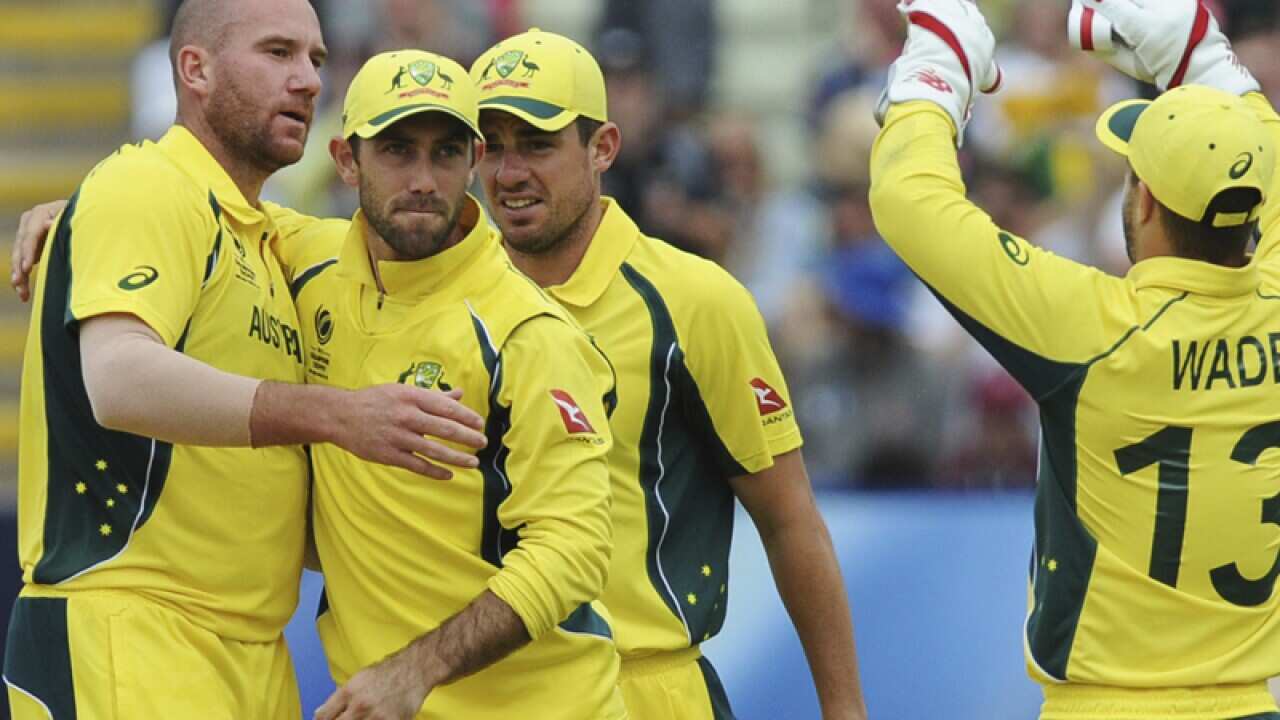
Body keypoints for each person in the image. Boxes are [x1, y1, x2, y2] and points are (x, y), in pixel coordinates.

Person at [2, 3, 486, 718]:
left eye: (316, 61)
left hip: (249, 647)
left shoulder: (267, 234)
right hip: (133, 627)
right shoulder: (144, 188)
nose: (307, 81)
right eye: (278, 53)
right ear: (194, 69)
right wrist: (338, 416)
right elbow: (120, 380)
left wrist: (75, 211)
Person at [870, 0, 1280, 717]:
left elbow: (909, 202)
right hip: (1251, 702)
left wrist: (936, 71)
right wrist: (1208, 64)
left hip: (1106, 706)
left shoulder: (1091, 330)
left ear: (1145, 201)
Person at [470, 29, 866, 719]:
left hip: (644, 689)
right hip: (481, 692)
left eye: (536, 144)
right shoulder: (450, 293)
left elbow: (789, 519)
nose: (508, 172)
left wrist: (845, 710)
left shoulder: (694, 301)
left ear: (604, 148)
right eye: (490, 145)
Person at [266, 49, 627, 720]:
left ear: (474, 159)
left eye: (446, 152)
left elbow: (573, 549)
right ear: (346, 160)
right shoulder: (306, 262)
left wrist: (415, 671)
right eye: (398, 150)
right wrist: (88, 217)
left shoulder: (524, 330)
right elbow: (192, 217)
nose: (425, 180)